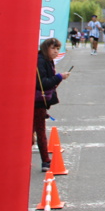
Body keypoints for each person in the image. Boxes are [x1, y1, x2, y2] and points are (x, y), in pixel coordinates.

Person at [34, 38, 71, 172]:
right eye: (53, 48)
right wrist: (59, 77)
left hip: (40, 101)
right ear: (46, 49)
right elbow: (43, 83)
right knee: (40, 131)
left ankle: (42, 160)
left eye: (57, 49)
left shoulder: (47, 61)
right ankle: (45, 161)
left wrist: (60, 78)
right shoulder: (41, 61)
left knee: (35, 130)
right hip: (37, 101)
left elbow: (50, 85)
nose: (56, 51)